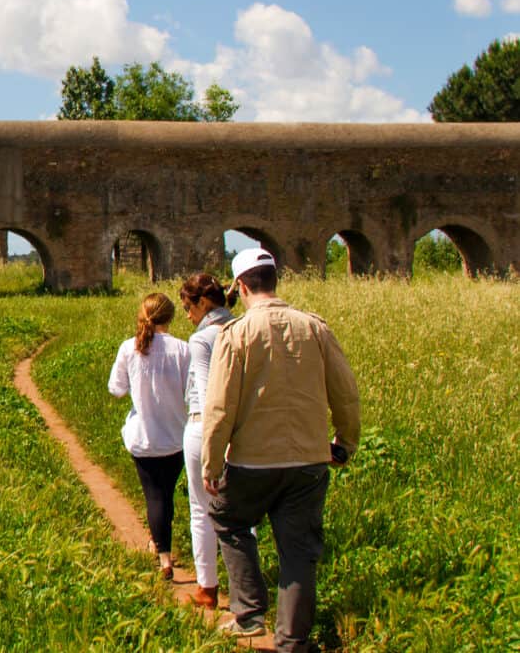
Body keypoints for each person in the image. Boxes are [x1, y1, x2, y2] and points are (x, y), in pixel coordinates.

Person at [201, 248, 361, 651]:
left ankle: (250, 613)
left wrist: (212, 463)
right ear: (275, 281)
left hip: (253, 460)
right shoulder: (315, 328)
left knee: (228, 519)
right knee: (299, 550)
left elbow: (220, 407)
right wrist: (344, 442)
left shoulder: (235, 334)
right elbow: (345, 393)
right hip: (309, 460)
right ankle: (293, 641)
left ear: (239, 285)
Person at [109, 293, 191, 579]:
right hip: (177, 436)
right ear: (170, 317)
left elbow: (116, 389)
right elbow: (191, 391)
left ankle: (164, 557)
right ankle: (160, 543)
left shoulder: (129, 348)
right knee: (165, 495)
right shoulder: (183, 349)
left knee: (154, 496)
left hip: (143, 436)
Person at [178, 273, 237, 610]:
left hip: (205, 428)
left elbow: (208, 391)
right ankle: (247, 589)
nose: (187, 315)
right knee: (242, 511)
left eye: (189, 307)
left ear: (203, 303)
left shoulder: (201, 340)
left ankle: (207, 589)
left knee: (202, 510)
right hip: (240, 430)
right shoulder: (241, 328)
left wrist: (215, 448)